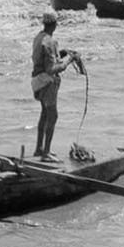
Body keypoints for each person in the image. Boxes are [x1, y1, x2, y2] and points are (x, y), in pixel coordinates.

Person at [30, 9, 80, 161]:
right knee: (53, 115)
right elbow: (51, 69)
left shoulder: (39, 37)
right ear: (55, 24)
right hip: (47, 82)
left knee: (44, 114)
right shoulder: (50, 41)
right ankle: (46, 153)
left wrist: (62, 52)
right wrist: (69, 60)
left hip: (37, 82)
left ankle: (39, 149)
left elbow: (46, 58)